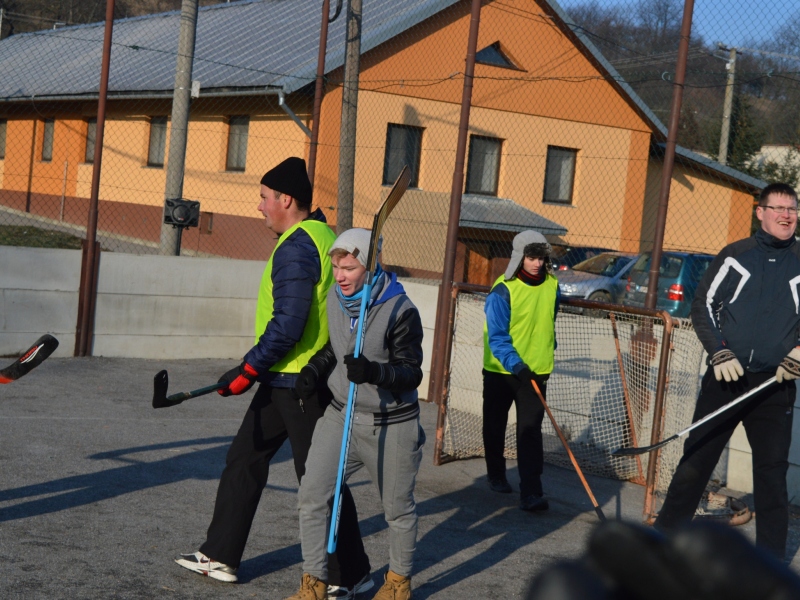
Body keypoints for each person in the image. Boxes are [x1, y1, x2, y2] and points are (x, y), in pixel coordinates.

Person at [174, 157, 372, 598]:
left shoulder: (298, 246)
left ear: (286, 199)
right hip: (287, 380)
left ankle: (350, 574)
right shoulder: (323, 235)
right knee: (245, 459)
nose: (260, 206)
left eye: (264, 197)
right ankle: (220, 555)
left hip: (300, 383)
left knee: (318, 480)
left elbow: (290, 321)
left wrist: (248, 368)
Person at [654, 182, 800, 560]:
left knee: (771, 476)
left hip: (776, 385)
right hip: (726, 380)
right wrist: (719, 353)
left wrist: (799, 351)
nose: (787, 215)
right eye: (779, 208)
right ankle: (661, 545)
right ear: (760, 212)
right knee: (696, 461)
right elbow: (702, 306)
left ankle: (771, 562)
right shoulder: (736, 256)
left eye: (792, 209)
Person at [285, 228, 425, 600]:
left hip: (390, 423)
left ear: (370, 265)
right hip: (341, 414)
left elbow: (412, 372)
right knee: (312, 494)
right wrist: (314, 370)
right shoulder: (336, 296)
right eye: (337, 267)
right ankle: (313, 583)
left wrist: (375, 372)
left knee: (397, 510)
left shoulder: (400, 309)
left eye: (349, 268)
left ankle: (397, 583)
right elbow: (337, 349)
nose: (341, 276)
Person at [482, 230, 560, 512]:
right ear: (519, 258)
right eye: (531, 257)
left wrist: (545, 353)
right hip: (501, 371)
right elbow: (498, 337)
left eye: (541, 257)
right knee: (495, 424)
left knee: (530, 431)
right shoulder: (502, 289)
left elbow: (550, 320)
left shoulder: (552, 285)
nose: (537, 263)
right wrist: (517, 365)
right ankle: (496, 474)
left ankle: (531, 492)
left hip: (536, 373)